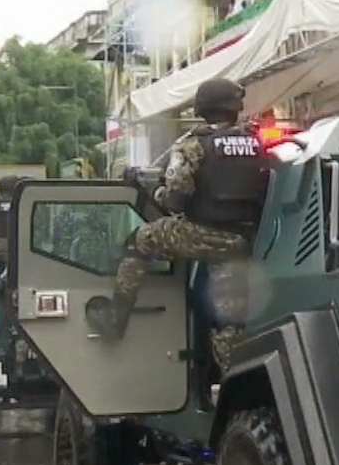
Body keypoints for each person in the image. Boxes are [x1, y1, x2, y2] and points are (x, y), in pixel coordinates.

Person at [87, 78, 268, 371]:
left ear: (203, 108)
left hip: (203, 234)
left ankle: (116, 318)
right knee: (229, 319)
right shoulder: (255, 140)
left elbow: (176, 198)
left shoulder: (194, 145)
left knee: (141, 240)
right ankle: (235, 376)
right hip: (242, 240)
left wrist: (153, 189)